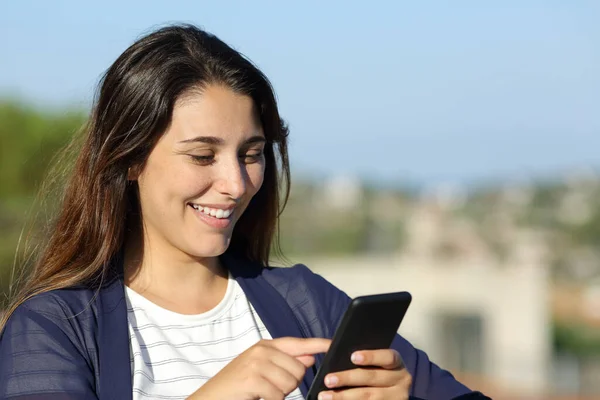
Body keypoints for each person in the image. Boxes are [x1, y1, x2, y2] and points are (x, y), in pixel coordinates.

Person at [0, 24, 488, 400]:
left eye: (251, 153)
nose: (235, 184)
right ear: (128, 159)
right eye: (202, 155)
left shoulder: (308, 302)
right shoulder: (53, 329)